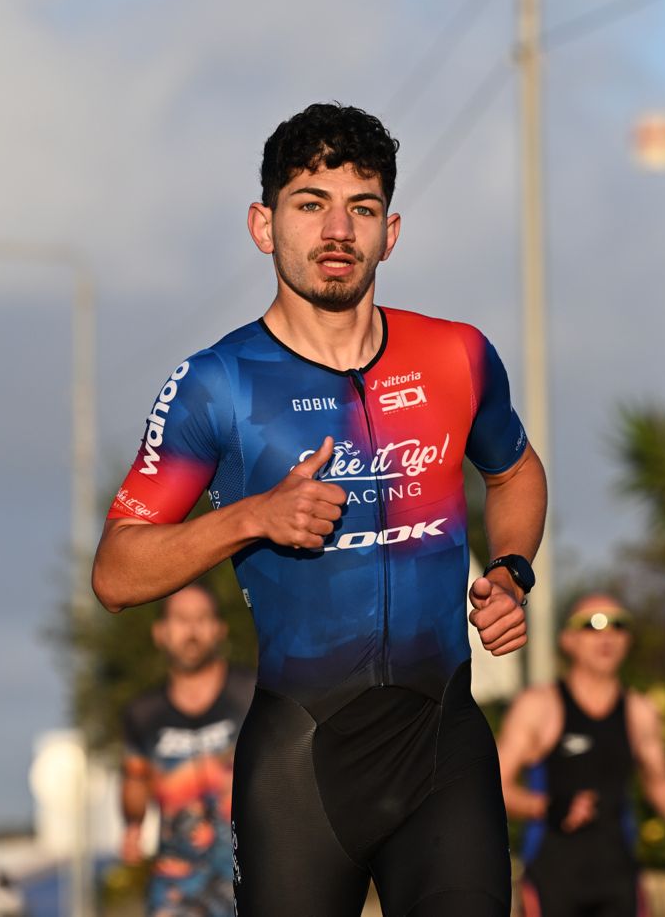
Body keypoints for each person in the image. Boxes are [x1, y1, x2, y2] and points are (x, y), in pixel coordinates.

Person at [92, 102, 548, 917]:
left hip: (442, 749)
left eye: (362, 209)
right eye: (310, 204)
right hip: (300, 766)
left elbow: (514, 473)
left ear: (390, 232)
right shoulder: (217, 384)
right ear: (263, 225)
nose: (338, 230)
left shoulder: (457, 355)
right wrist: (252, 517)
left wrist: (512, 571)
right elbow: (117, 573)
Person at [497, 593, 665, 917]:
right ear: (568, 640)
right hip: (553, 880)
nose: (607, 636)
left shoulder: (639, 711)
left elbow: (660, 784)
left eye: (618, 625)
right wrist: (546, 807)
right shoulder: (539, 706)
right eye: (592, 625)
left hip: (619, 880)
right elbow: (495, 787)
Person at [119, 584, 253, 917]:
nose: (191, 631)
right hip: (176, 882)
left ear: (219, 629)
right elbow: (134, 790)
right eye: (181, 620)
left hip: (251, 874)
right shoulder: (142, 713)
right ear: (160, 633)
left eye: (202, 619)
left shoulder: (252, 693)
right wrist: (133, 823)